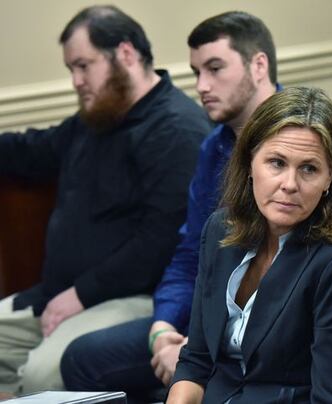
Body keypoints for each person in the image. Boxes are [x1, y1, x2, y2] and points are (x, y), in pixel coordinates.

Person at [61, 11, 279, 402]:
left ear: (258, 65)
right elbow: (188, 254)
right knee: (81, 358)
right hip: (202, 318)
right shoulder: (214, 147)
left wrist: (197, 344)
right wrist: (163, 329)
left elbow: (282, 271)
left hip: (263, 328)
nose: (202, 86)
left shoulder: (296, 138)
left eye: (215, 69)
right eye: (196, 72)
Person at [0, 5, 212, 393]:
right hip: (60, 293)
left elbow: (159, 243)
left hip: (134, 299)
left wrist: (80, 295)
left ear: (126, 54)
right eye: (71, 70)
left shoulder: (176, 130)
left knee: (40, 376)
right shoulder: (98, 116)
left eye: (84, 65)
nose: (76, 81)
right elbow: (34, 150)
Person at [166, 86, 332, 403]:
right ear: (250, 161)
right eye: (276, 162)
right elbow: (197, 361)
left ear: (330, 178)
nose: (289, 185)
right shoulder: (220, 230)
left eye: (309, 169)